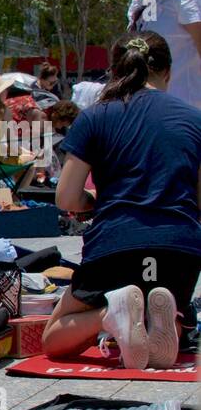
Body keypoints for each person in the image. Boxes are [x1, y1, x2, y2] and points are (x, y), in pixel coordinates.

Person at [43, 32, 201, 370]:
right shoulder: (194, 119)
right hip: (178, 249)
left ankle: (108, 314)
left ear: (115, 72)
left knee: (54, 337)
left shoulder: (95, 116)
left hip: (116, 247)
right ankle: (167, 322)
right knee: (167, 303)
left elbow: (66, 197)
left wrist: (94, 202)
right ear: (168, 72)